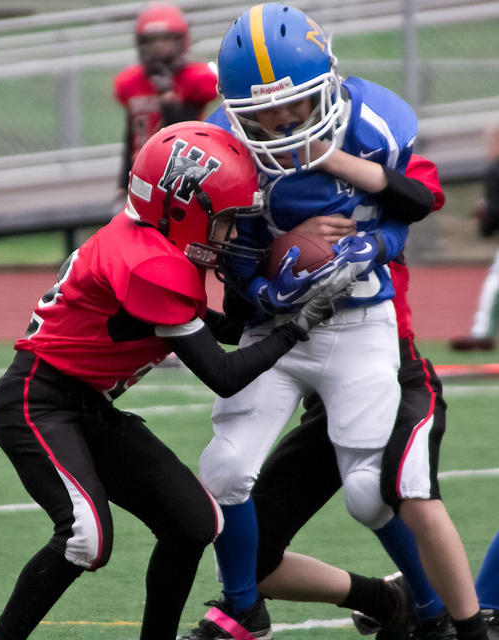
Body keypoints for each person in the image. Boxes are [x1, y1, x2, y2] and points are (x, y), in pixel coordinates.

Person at [179, 5, 488, 640]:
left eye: (290, 104)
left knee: (372, 495)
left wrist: (370, 239)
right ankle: (243, 608)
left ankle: (429, 611)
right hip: (277, 329)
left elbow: (417, 201)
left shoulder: (372, 124)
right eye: (259, 111)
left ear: (328, 83)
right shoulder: (224, 147)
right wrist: (275, 261)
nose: (277, 122)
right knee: (224, 470)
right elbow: (219, 265)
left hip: (361, 323)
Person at [0, 121, 336, 640]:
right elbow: (222, 374)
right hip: (39, 401)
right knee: (85, 538)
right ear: (183, 207)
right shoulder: (148, 262)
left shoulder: (151, 243)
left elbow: (213, 329)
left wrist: (275, 297)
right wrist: (296, 329)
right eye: (226, 221)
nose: (234, 234)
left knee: (194, 522)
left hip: (87, 404)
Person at [113, 3, 218, 203]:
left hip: (180, 172)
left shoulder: (192, 79)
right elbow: (130, 136)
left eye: (165, 40)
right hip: (141, 171)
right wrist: (121, 184)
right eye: (152, 41)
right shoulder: (133, 82)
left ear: (181, 41)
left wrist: (170, 101)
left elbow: (186, 131)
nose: (158, 48)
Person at [450, 121, 499, 351]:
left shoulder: (495, 170)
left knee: (495, 280)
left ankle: (481, 332)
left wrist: (485, 218)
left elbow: (494, 211)